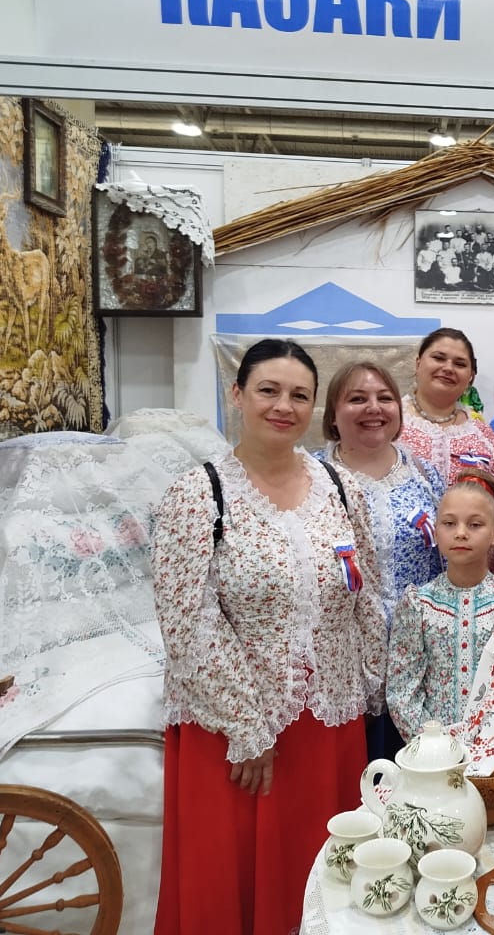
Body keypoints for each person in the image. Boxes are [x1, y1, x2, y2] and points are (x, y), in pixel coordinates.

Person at [152, 338, 387, 935]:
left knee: (324, 878)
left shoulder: (341, 489)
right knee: (235, 883)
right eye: (268, 390)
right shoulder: (198, 494)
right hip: (237, 730)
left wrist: (374, 690)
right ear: (237, 394)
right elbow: (187, 623)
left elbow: (366, 592)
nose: (284, 406)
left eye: (299, 395)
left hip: (329, 723)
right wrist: (247, 728)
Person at [318, 361, 446, 761]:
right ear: (333, 415)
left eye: (384, 398)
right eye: (357, 399)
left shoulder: (424, 475)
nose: (373, 408)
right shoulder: (313, 479)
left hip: (419, 662)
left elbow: (446, 563)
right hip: (343, 664)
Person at [387, 468, 494, 739]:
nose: (460, 533)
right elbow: (402, 689)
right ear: (436, 531)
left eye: (474, 525)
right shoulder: (419, 605)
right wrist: (433, 746)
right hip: (432, 753)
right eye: (449, 523)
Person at [399, 327, 494, 488]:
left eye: (460, 364)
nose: (448, 368)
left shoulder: (484, 437)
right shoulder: (389, 424)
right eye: (438, 358)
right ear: (418, 363)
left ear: (470, 376)